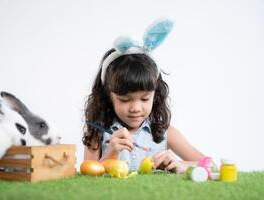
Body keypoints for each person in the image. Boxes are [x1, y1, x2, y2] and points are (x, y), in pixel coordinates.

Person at [82, 19, 204, 173]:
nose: (135, 108)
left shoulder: (165, 132)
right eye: (125, 100)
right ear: (109, 95)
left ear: (155, 95)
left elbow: (210, 165)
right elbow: (87, 177)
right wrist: (110, 153)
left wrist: (180, 165)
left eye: (145, 98)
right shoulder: (97, 134)